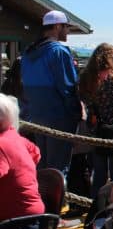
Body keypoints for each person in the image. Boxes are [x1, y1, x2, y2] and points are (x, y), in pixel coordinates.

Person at [20, 10, 81, 174]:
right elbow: (68, 87)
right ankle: (58, 200)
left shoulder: (27, 53)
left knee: (42, 166)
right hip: (59, 118)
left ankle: (41, 199)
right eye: (66, 27)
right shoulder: (59, 51)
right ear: (57, 26)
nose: (68, 31)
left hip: (36, 118)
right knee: (58, 169)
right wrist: (77, 114)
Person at [79, 43, 113, 198]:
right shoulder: (112, 79)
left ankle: (95, 206)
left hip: (96, 128)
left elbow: (83, 97)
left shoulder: (85, 77)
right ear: (108, 59)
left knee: (99, 173)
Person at [0, 93, 45, 229]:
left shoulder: (2, 145)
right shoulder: (14, 137)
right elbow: (36, 154)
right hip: (33, 222)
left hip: (19, 226)